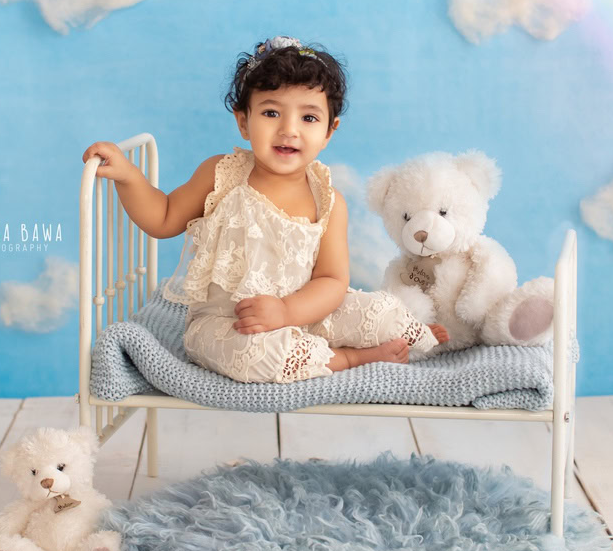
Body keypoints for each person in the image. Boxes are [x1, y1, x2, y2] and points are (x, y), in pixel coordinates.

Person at [81, 36, 446, 383]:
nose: (289, 130)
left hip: (303, 312)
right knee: (250, 354)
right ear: (243, 121)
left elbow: (332, 282)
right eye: (271, 112)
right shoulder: (222, 175)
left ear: (329, 131)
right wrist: (129, 176)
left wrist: (287, 312)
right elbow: (162, 218)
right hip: (232, 321)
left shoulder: (329, 201)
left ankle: (410, 335)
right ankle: (347, 359)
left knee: (376, 312)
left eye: (308, 118)